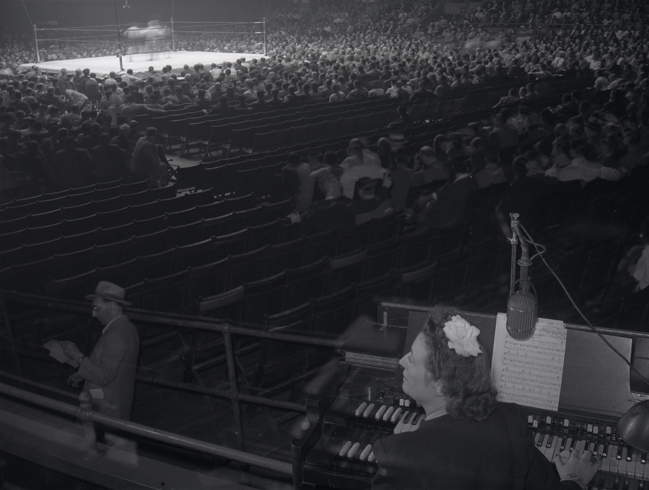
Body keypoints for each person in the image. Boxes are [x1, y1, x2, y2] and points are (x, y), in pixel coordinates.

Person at [372, 305, 601, 490]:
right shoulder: (509, 420)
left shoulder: (400, 456)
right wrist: (575, 481)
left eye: (411, 358)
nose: (401, 362)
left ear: (440, 385)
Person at [62, 281, 140, 447]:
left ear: (111, 305)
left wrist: (78, 356)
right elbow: (113, 366)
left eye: (97, 308)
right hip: (117, 405)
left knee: (100, 454)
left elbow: (104, 376)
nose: (93, 314)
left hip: (106, 410)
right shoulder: (128, 327)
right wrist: (81, 374)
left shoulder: (115, 335)